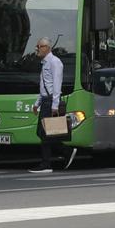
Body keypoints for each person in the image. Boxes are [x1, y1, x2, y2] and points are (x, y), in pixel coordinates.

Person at [30, 37, 70, 173]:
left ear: (47, 48)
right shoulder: (44, 62)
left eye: (39, 46)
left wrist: (55, 105)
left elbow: (57, 85)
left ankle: (46, 164)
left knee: (45, 133)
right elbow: (44, 86)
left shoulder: (55, 62)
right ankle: (67, 151)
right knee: (44, 132)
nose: (37, 49)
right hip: (45, 101)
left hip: (51, 102)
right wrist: (37, 104)